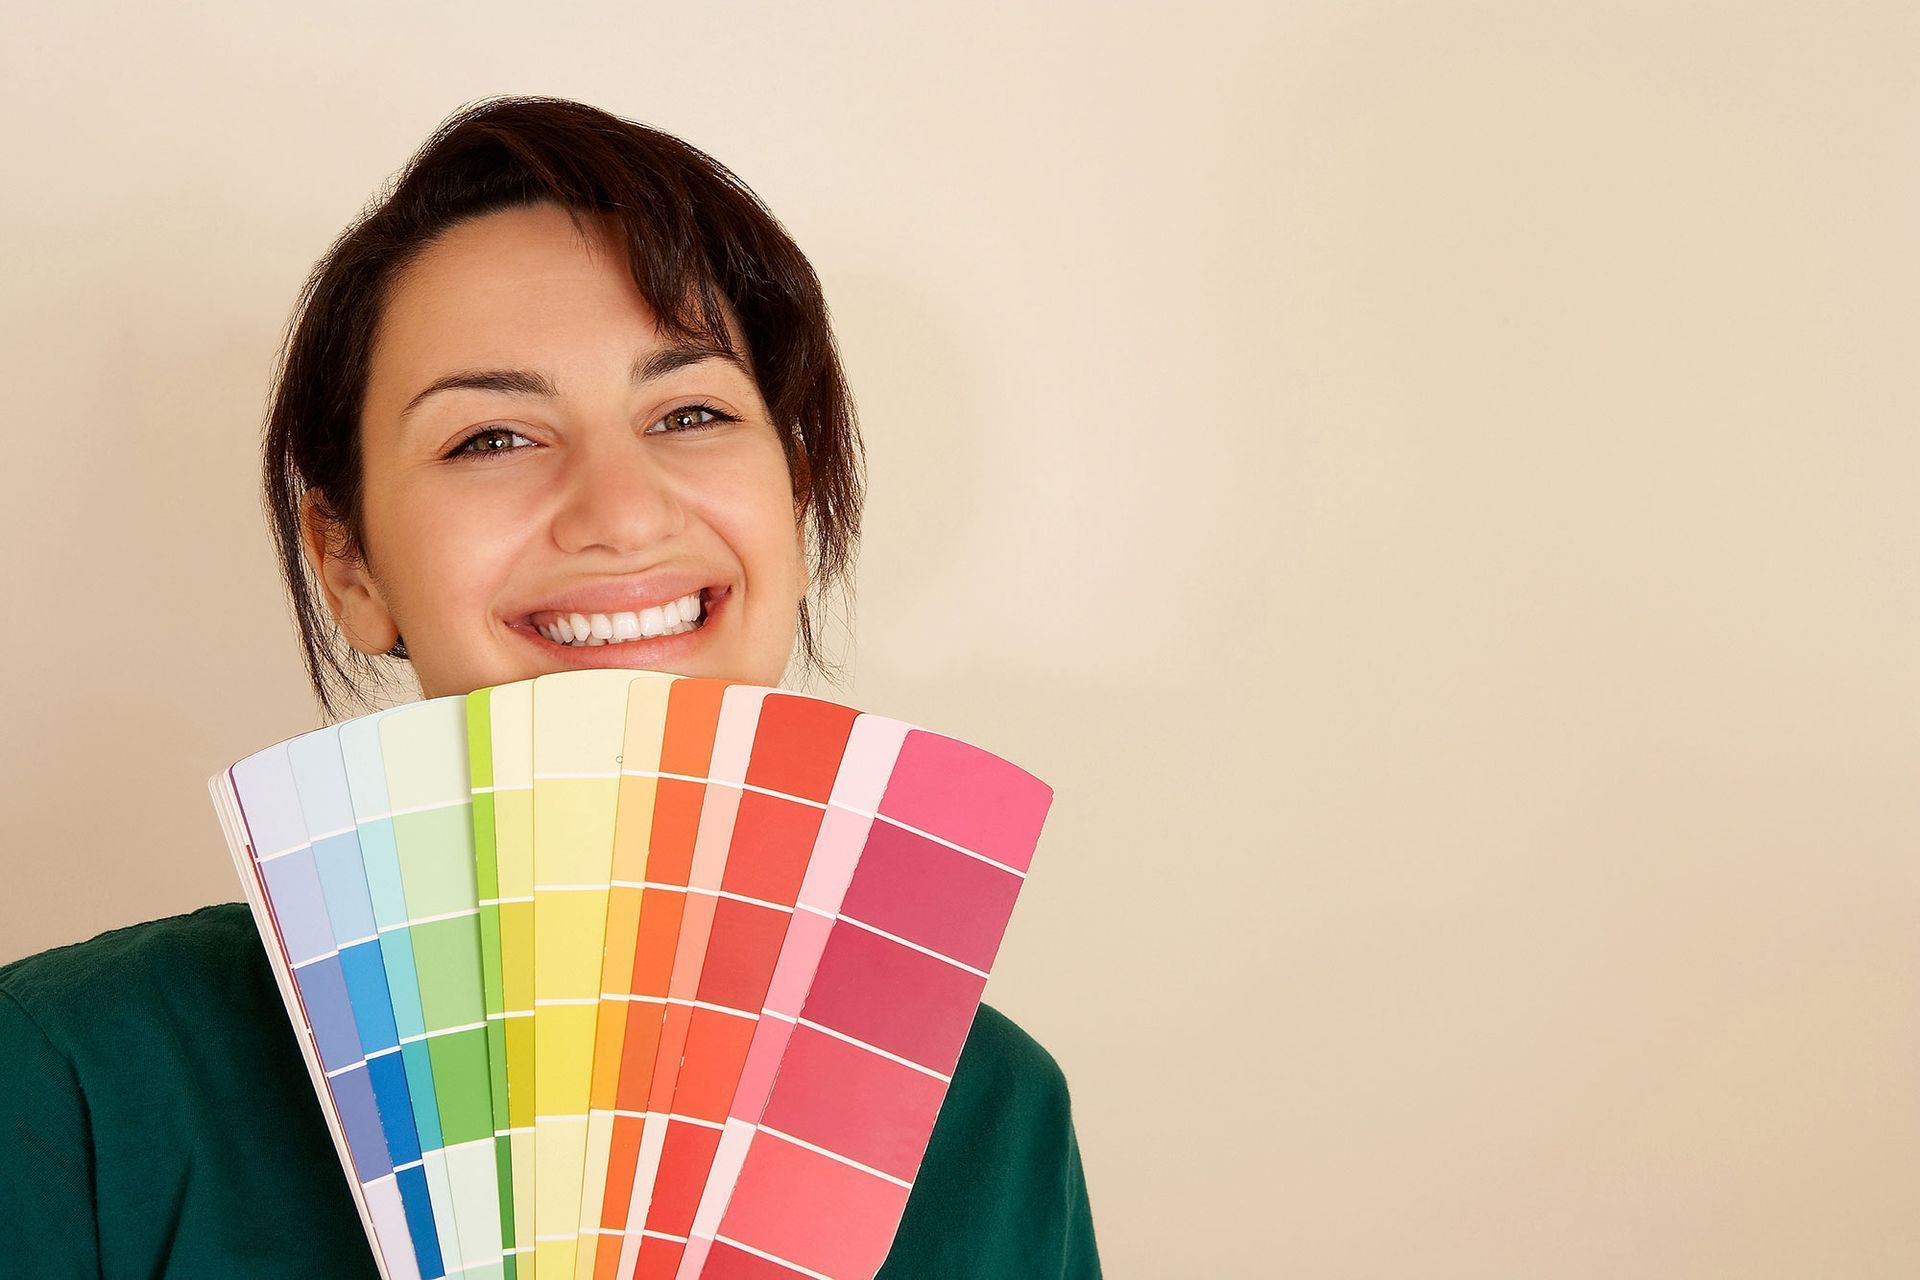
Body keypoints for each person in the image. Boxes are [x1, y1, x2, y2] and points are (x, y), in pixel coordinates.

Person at [0, 95, 1101, 1279]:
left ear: (799, 495)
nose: (621, 513)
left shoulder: (989, 1110)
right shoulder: (68, 1079)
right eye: (493, 437)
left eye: (691, 411)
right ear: (348, 560)